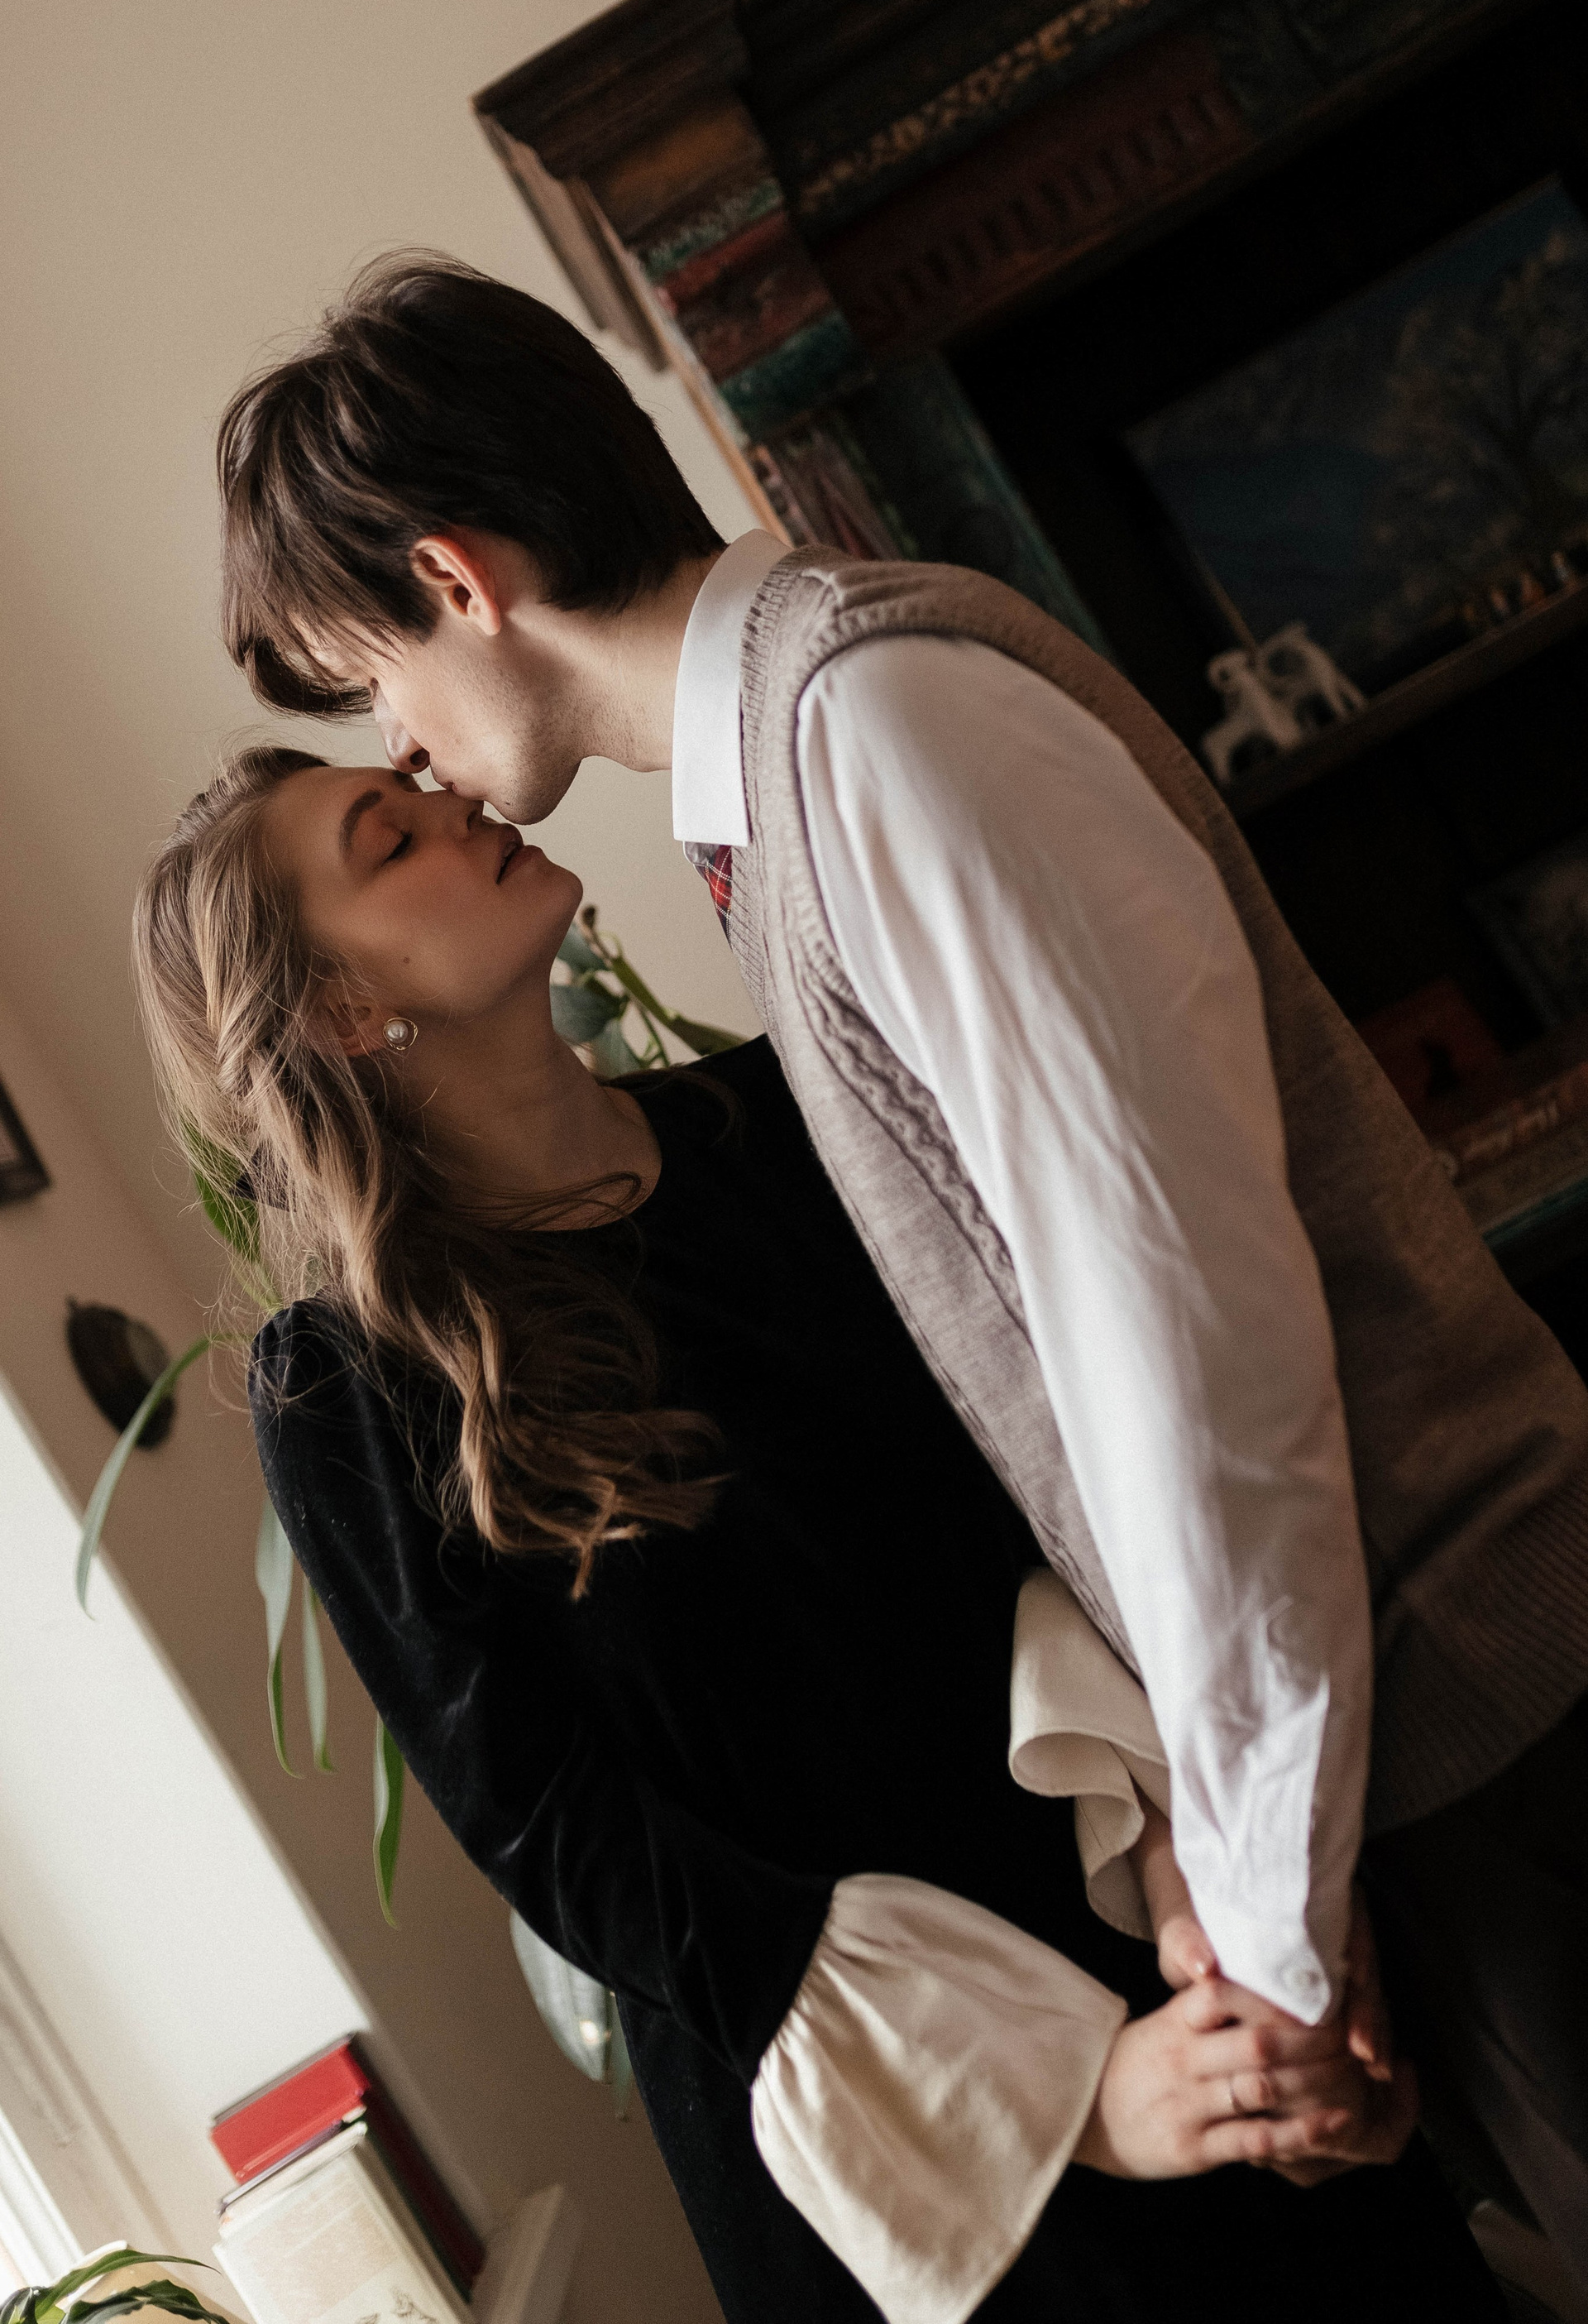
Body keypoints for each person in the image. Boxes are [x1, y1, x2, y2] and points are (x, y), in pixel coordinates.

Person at [213, 255, 1588, 2274]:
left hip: (1477, 1712)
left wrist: (1269, 1922)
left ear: (453, 578)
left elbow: (1187, 1362)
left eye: (366, 681)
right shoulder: (798, 771)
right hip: (1381, 1759)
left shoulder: (873, 732)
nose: (403, 750)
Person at [131, 744, 1495, 2324]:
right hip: (897, 2121)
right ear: (338, 1014)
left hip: (1149, 1928)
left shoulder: (791, 1117)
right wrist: (1066, 2093)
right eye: (392, 840)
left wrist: (1199, 1879)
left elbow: (1050, 1500)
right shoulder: (348, 1389)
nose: (462, 805)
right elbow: (573, 1845)